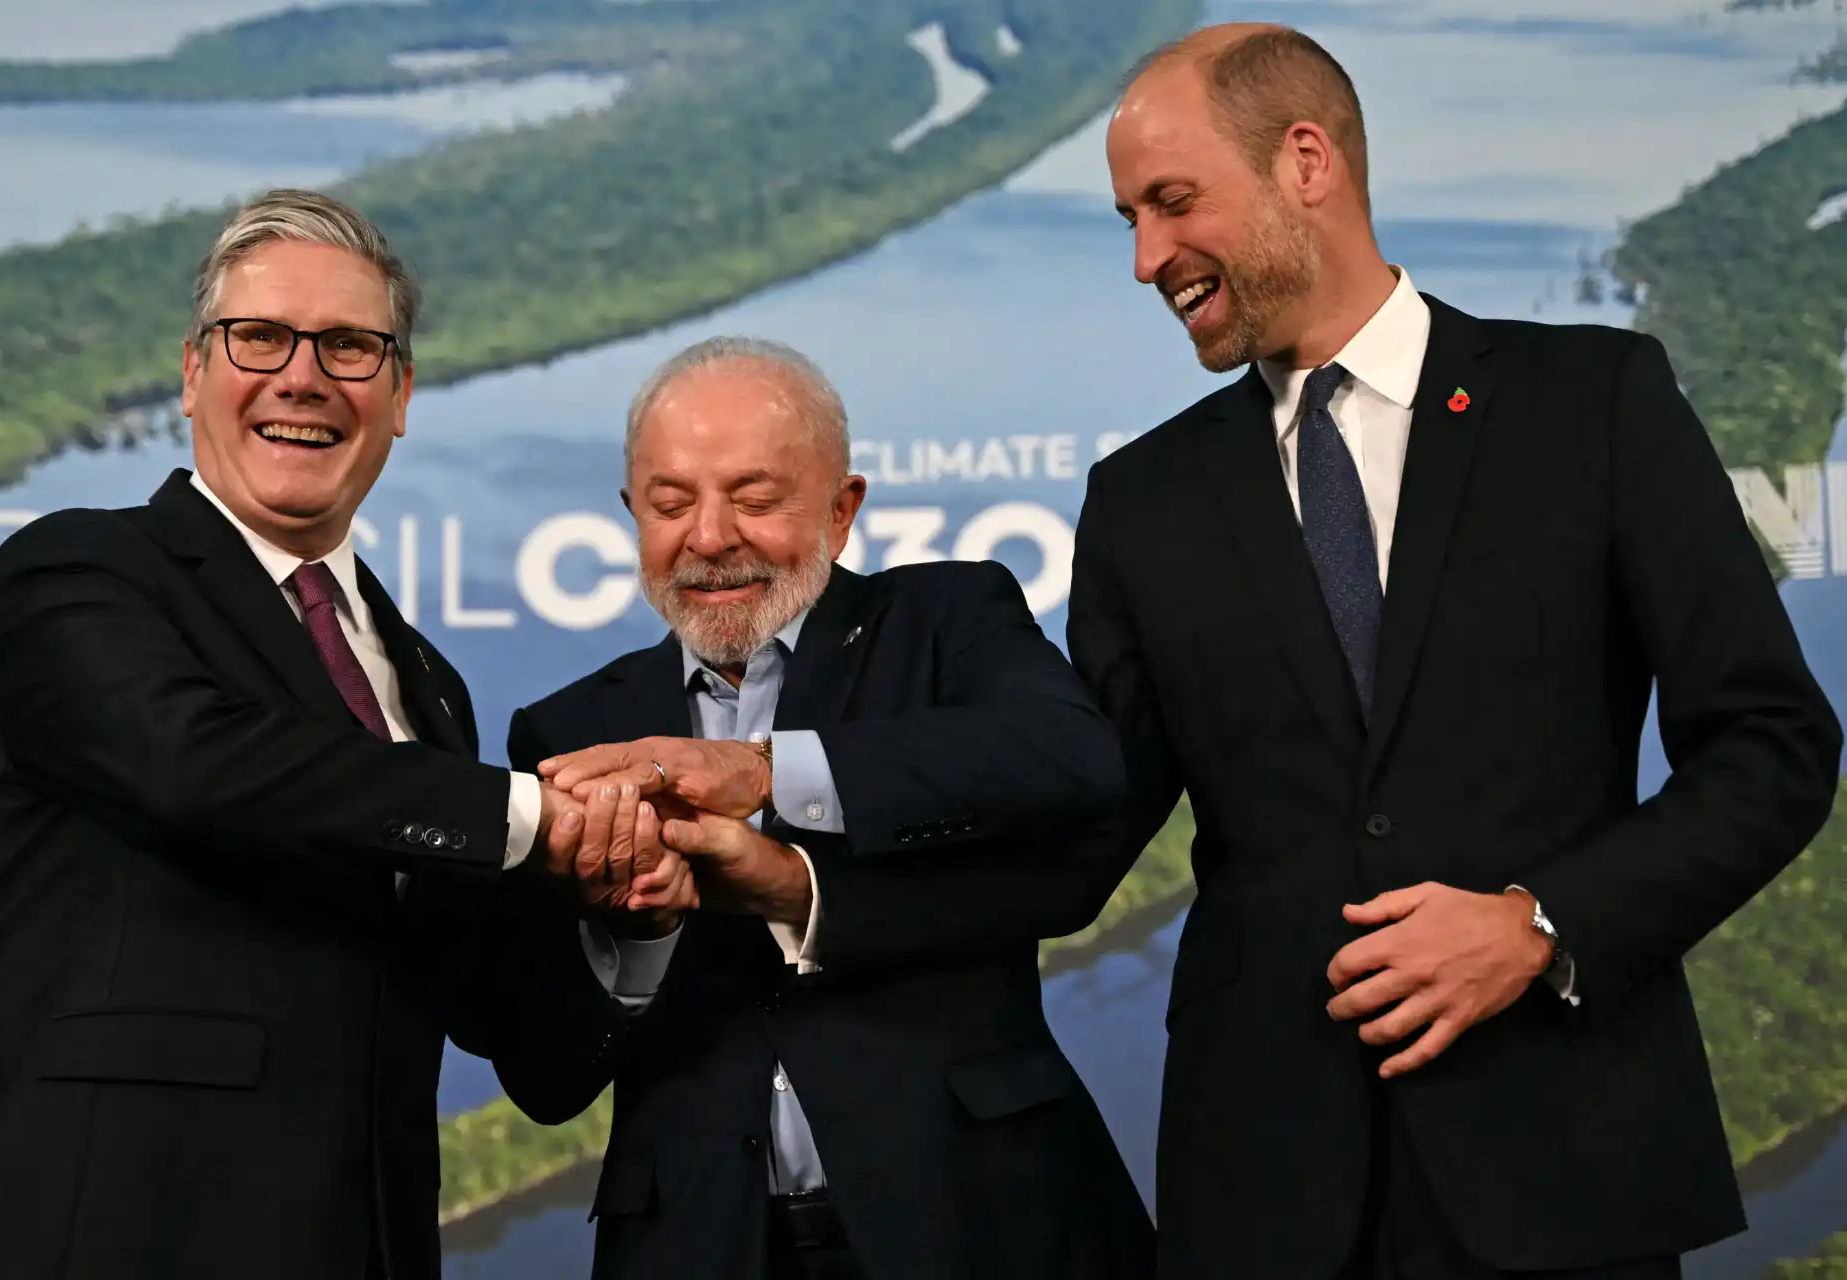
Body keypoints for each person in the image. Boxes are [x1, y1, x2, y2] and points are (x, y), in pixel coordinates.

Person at [1073, 25, 1843, 1280]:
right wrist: (798, 828)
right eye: (1129, 221)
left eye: (1172, 203)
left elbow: (1772, 745)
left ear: (1305, 160)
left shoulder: (1595, 402)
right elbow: (1071, 835)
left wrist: (1546, 922)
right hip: (1267, 1195)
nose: (1150, 257)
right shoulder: (1142, 501)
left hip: (1563, 1165)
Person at [0, 190, 623, 1280]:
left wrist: (635, 904)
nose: (302, 375)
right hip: (111, 1236)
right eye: (259, 337)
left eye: (351, 346)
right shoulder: (76, 572)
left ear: (399, 396)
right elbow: (195, 764)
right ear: (194, 370)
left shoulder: (428, 687)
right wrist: (532, 812)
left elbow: (527, 1047)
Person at [491, 336, 1154, 1280]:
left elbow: (1075, 757)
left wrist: (764, 775)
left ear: (843, 512)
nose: (710, 537)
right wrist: (629, 936)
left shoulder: (946, 621)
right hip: (694, 1245)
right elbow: (543, 1076)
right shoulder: (569, 736)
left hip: (983, 1220)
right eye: (671, 503)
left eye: (755, 499)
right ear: (632, 515)